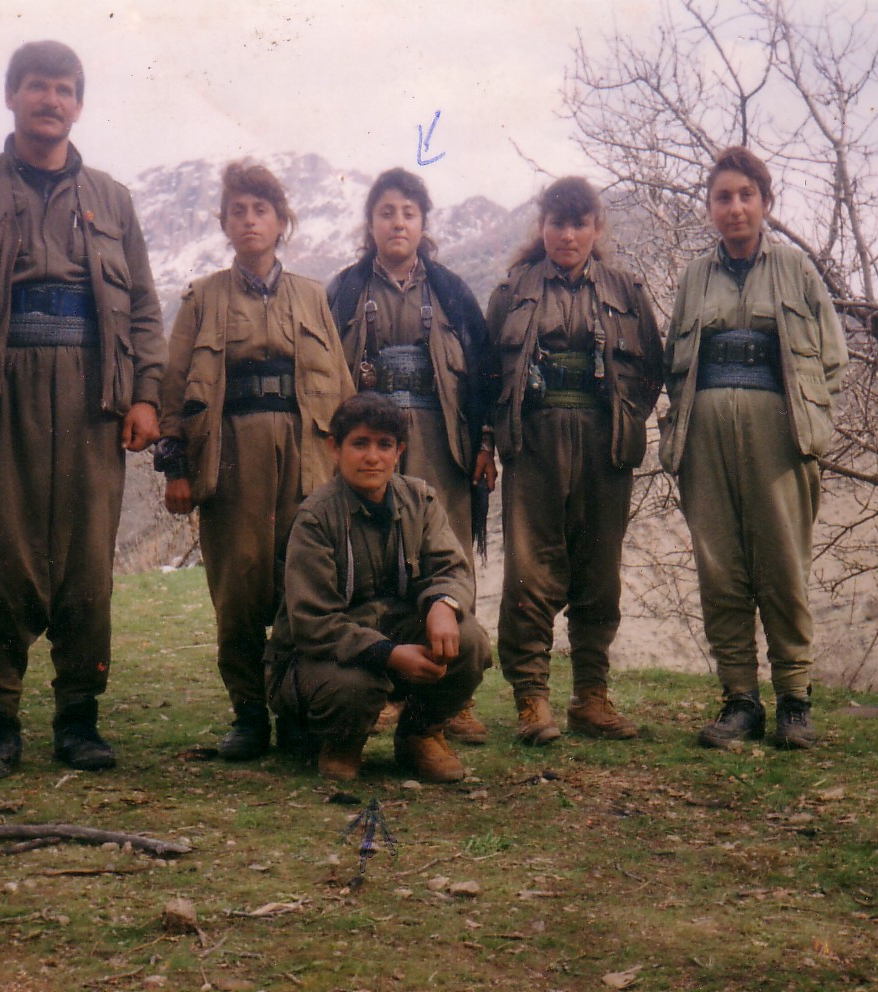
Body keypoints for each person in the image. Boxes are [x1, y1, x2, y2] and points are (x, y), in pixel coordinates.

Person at [0, 41, 166, 782]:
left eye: (63, 89)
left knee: (86, 560)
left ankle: (79, 721)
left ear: (78, 104)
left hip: (93, 396)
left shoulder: (113, 199)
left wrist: (146, 394)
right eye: (36, 87)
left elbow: (144, 307)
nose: (50, 100)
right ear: (11, 96)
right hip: (0, 394)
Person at [157, 161, 353, 761]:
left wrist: (349, 468)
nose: (249, 221)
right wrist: (177, 470)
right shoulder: (202, 297)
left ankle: (295, 710)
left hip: (306, 457)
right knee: (237, 588)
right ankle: (247, 716)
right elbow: (173, 389)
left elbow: (342, 390)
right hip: (230, 457)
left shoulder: (313, 296)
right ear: (224, 223)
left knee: (303, 585)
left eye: (261, 210)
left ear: (281, 221)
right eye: (237, 211)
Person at [659, 146, 849, 750]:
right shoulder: (694, 278)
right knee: (720, 569)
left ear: (766, 202)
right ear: (710, 207)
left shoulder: (796, 269)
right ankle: (740, 702)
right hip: (705, 441)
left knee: (782, 568)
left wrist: (805, 423)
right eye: (723, 197)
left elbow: (833, 361)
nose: (735, 207)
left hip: (780, 440)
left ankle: (795, 700)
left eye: (746, 195)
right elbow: (675, 364)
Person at [478, 177, 663, 745]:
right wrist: (490, 440)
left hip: (605, 445)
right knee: (529, 573)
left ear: (596, 228)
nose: (568, 235)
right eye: (557, 223)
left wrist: (623, 418)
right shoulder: (511, 292)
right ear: (543, 227)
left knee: (599, 573)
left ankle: (590, 696)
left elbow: (652, 369)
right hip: (533, 443)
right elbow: (486, 376)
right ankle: (532, 699)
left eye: (579, 223)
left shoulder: (627, 291)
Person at [327, 167, 491, 746]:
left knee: (447, 556)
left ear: (424, 223)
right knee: (375, 558)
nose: (398, 222)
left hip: (442, 441)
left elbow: (483, 374)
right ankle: (385, 686)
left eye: (409, 213)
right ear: (370, 222)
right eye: (386, 212)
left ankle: (454, 700)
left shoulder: (451, 292)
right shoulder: (344, 291)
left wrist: (484, 444)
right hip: (373, 448)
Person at [269, 393, 489, 783]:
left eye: (384, 445)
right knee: (356, 684)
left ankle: (420, 734)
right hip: (322, 658)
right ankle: (339, 742)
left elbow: (451, 568)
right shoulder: (315, 518)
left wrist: (443, 604)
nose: (372, 457)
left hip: (394, 639)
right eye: (360, 443)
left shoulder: (420, 501)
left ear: (399, 451)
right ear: (335, 448)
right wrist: (389, 654)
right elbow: (313, 623)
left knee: (469, 640)